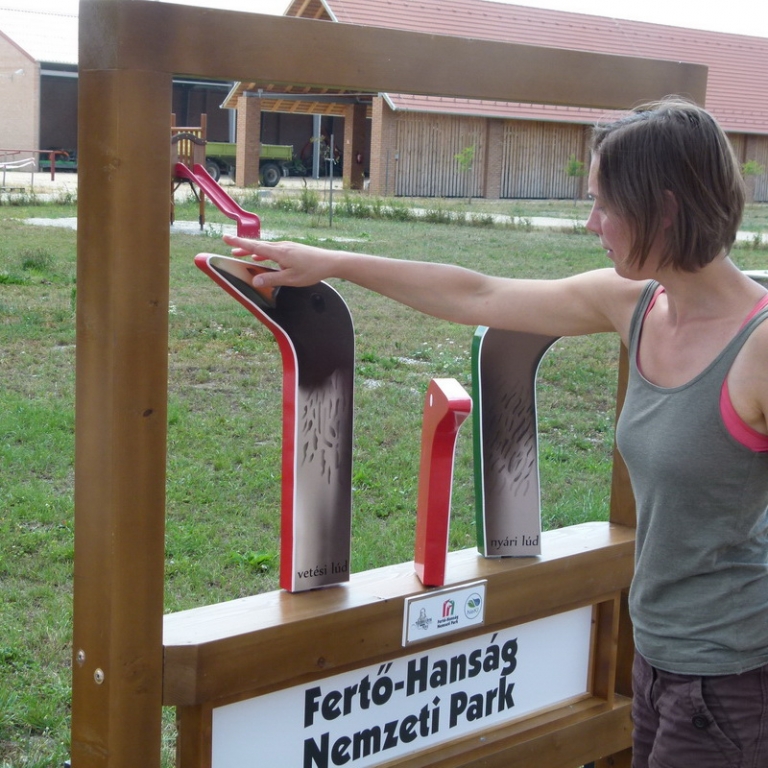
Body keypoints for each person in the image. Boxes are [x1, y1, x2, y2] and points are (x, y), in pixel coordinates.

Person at [222, 97, 768, 767]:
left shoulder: (759, 350)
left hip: (734, 683)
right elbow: (479, 296)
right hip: (660, 662)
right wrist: (331, 262)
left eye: (605, 205)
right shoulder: (638, 305)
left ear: (665, 209)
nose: (593, 224)